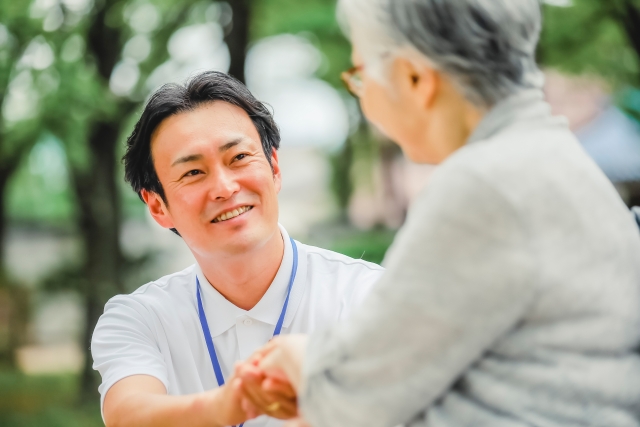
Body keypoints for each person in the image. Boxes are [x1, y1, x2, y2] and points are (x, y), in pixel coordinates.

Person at [238, 1, 640, 426]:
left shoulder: (484, 183)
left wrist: (295, 359)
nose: (363, 96)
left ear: (414, 78)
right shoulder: (560, 160)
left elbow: (362, 389)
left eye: (360, 75)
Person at [90, 71, 384, 427]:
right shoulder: (139, 319)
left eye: (240, 157)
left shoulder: (369, 296)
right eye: (193, 172)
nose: (225, 187)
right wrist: (229, 404)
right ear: (157, 206)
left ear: (274, 167)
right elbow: (128, 415)